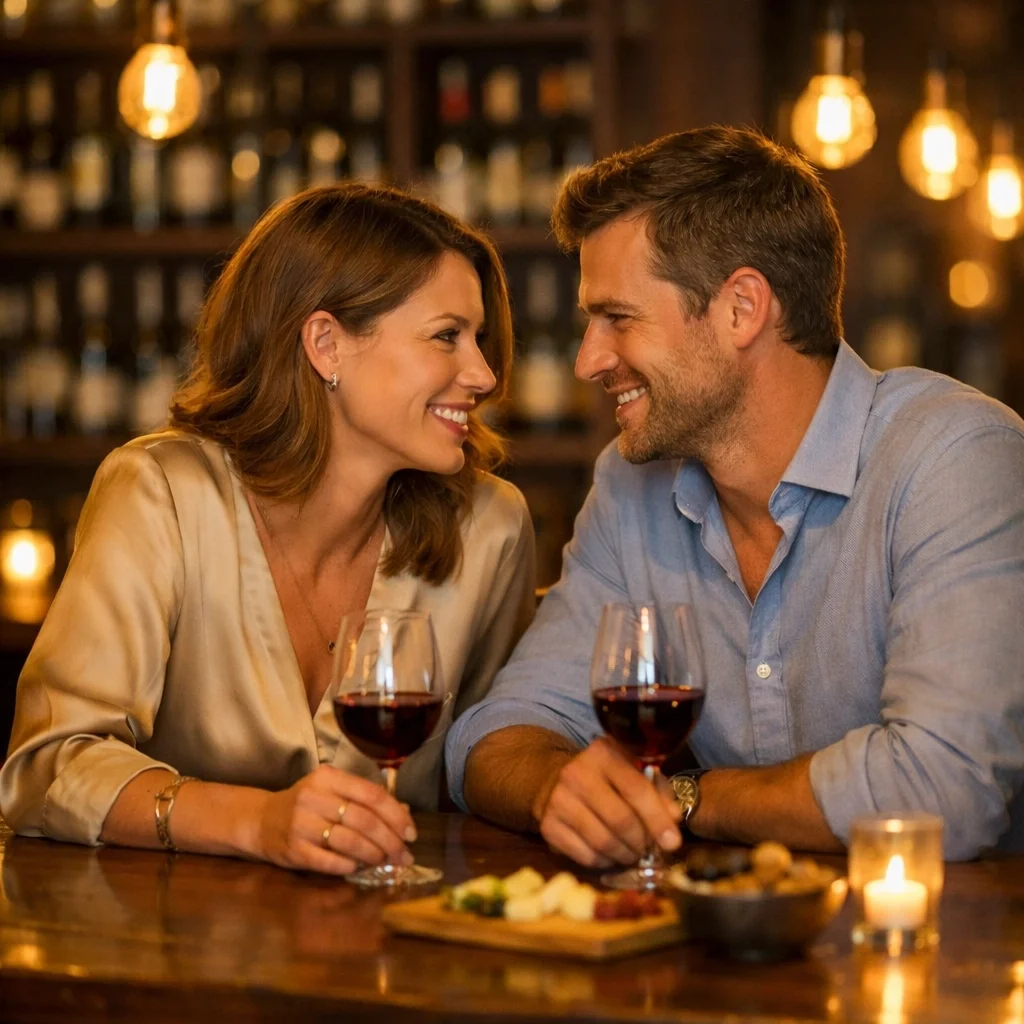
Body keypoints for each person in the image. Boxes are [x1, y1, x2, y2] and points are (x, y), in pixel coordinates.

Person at [446, 125, 1024, 864]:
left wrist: (683, 799)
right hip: (712, 955)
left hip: (944, 955)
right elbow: (497, 733)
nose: (589, 359)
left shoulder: (952, 459)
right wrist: (556, 787)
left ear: (742, 309)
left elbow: (945, 787)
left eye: (617, 319)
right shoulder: (631, 488)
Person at [0, 183, 536, 876]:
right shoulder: (160, 492)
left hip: (391, 947)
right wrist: (257, 822)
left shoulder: (491, 527)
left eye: (481, 340)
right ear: (325, 343)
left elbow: (487, 761)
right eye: (446, 337)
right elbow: (48, 767)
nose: (485, 374)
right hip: (166, 944)